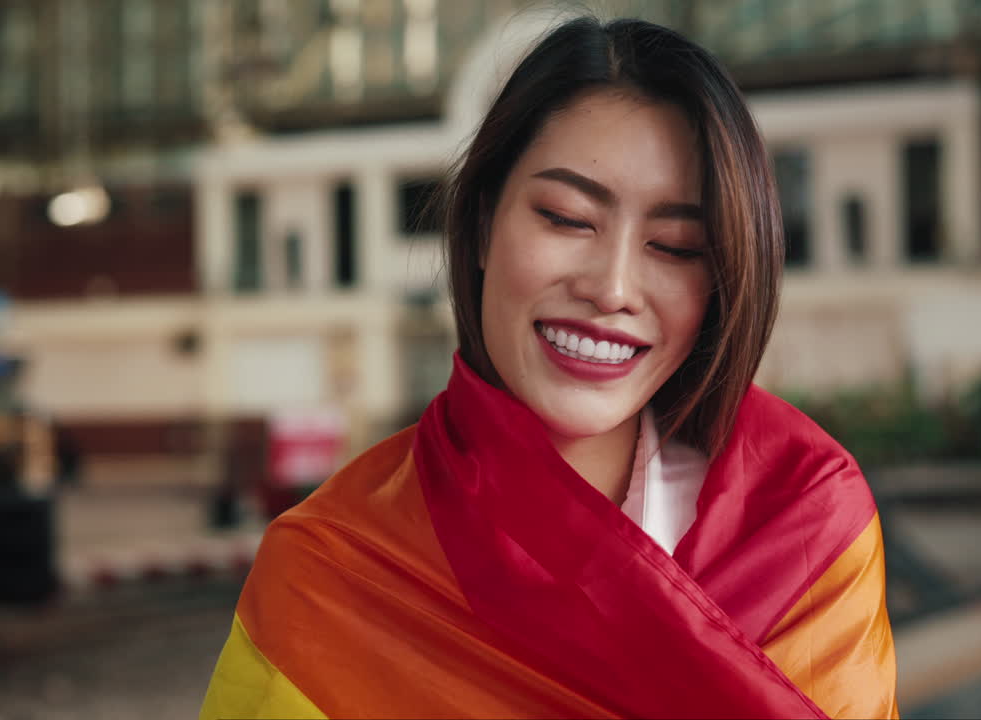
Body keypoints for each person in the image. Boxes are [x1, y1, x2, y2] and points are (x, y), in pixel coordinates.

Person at [200, 16, 897, 720]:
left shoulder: (806, 523)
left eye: (678, 246)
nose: (614, 288)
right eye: (566, 218)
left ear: (722, 280)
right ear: (478, 227)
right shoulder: (330, 572)